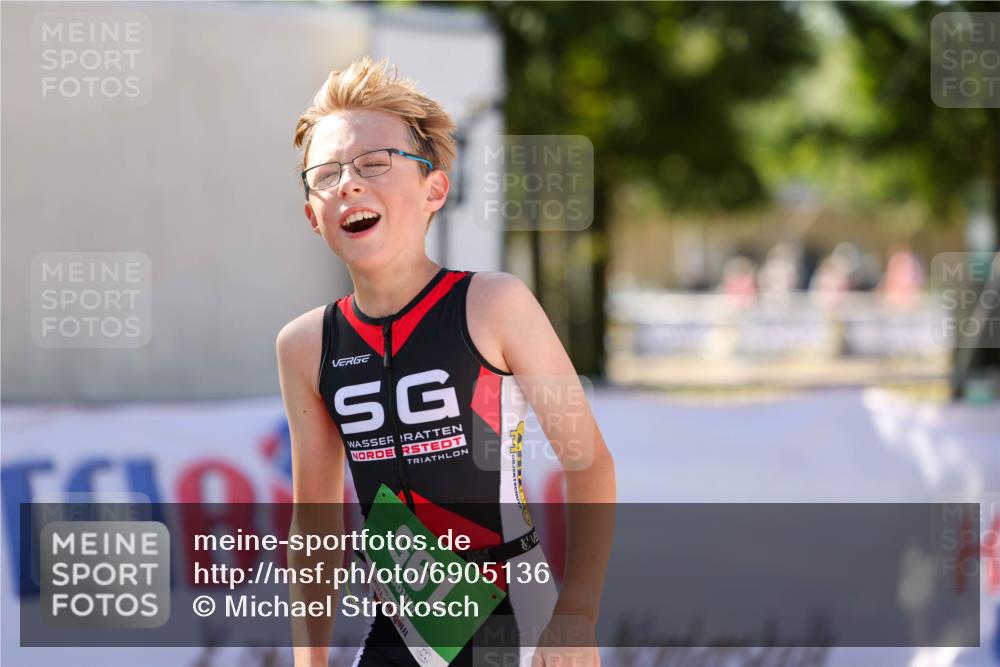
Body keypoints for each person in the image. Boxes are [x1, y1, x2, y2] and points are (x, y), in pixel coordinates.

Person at [276, 57, 616, 667]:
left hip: (518, 620)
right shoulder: (305, 346)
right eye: (325, 174)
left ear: (434, 188)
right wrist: (309, 662)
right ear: (311, 213)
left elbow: (588, 462)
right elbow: (316, 527)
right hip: (400, 630)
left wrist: (579, 611)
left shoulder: (495, 304)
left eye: (374, 163)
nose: (349, 182)